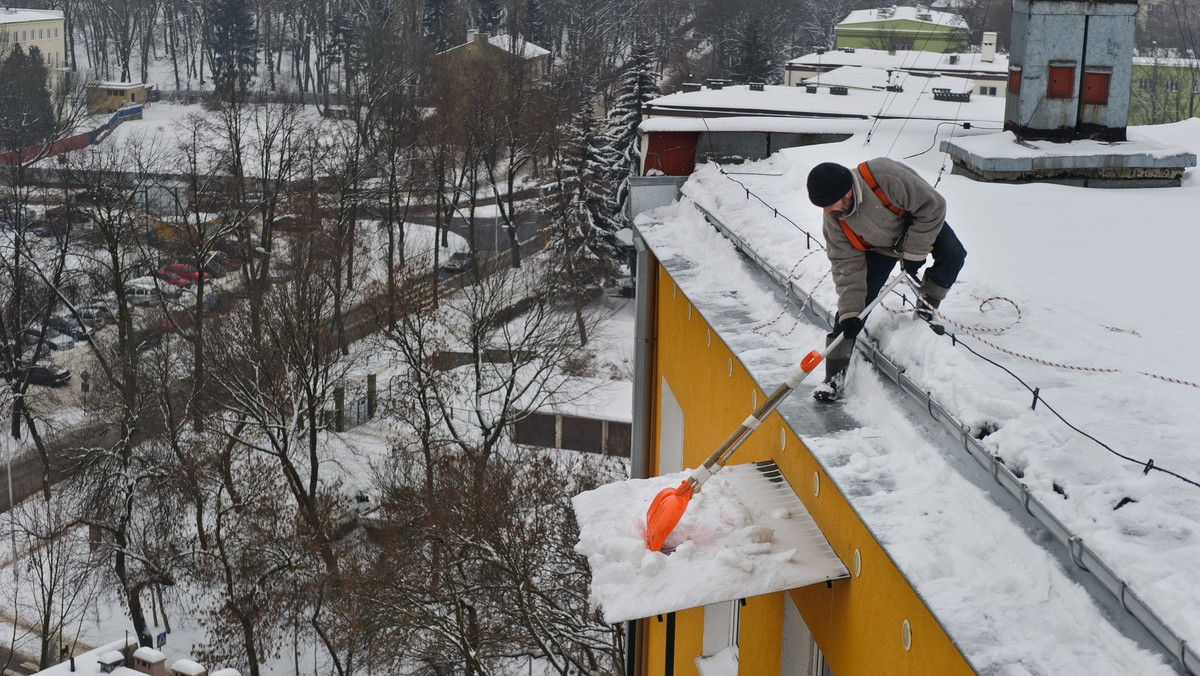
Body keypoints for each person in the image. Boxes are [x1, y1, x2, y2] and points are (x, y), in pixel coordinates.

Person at [806, 158, 966, 402]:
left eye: (830, 204)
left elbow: (933, 207)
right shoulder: (835, 221)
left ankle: (926, 308)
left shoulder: (885, 177)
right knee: (853, 311)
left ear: (847, 192)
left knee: (953, 255)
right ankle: (833, 378)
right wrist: (850, 313)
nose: (827, 211)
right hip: (877, 248)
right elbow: (846, 267)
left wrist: (914, 252)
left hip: (916, 228)